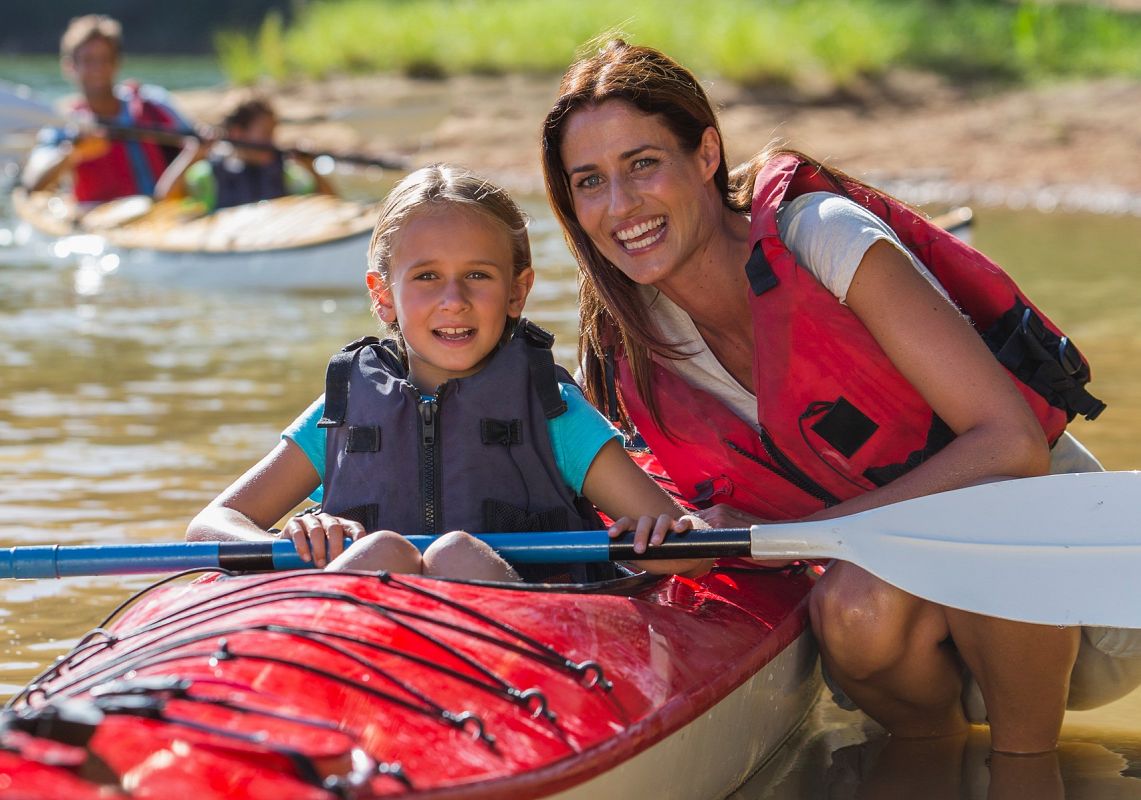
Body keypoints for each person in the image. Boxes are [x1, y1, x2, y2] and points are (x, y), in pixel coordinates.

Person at [539, 39, 1141, 755]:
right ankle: (934, 761)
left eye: (642, 164)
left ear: (705, 154)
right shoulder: (625, 339)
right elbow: (679, 509)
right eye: (589, 181)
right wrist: (689, 537)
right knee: (851, 606)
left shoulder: (818, 236)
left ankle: (1026, 770)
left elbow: (1009, 445)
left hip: (1081, 604)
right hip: (910, 615)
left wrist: (800, 535)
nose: (620, 205)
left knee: (971, 543)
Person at [187, 163, 706, 581]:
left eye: (477, 276)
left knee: (456, 555)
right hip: (361, 640)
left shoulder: (553, 412)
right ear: (383, 296)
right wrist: (292, 542)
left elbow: (690, 551)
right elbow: (209, 528)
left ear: (516, 292)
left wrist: (655, 539)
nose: (454, 301)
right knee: (381, 552)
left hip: (524, 652)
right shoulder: (340, 413)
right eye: (427, 277)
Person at [20, 14, 192, 203]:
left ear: (116, 62)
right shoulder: (64, 125)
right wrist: (73, 153)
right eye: (88, 60)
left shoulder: (151, 102)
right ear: (70, 66)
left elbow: (194, 139)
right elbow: (32, 183)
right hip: (97, 218)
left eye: (105, 59)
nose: (98, 68)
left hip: (160, 213)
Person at [155, 97, 336, 212]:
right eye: (266, 134)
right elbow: (163, 199)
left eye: (273, 133)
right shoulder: (207, 174)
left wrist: (310, 169)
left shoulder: (286, 173)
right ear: (237, 134)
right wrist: (193, 155)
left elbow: (331, 203)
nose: (272, 142)